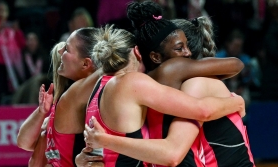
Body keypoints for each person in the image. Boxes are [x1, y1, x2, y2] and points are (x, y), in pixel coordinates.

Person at [78, 6, 244, 166]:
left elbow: (95, 151)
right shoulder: (159, 74)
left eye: (186, 47)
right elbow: (202, 112)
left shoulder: (100, 84)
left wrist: (82, 158)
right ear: (140, 53)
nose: (187, 54)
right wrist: (236, 102)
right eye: (180, 48)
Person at [172, 17, 255, 167]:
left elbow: (172, 153)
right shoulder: (193, 81)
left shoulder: (197, 83)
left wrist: (113, 140)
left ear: (185, 50)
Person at [17, 27, 103, 167]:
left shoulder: (76, 96)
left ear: (86, 63)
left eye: (67, 50)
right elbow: (23, 142)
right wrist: (42, 112)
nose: (59, 52)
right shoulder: (63, 100)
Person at [0, 0, 26, 104]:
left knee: (9, 89)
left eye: (4, 10)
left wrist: (17, 31)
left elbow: (21, 44)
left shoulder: (9, 27)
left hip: (11, 64)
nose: (2, 12)